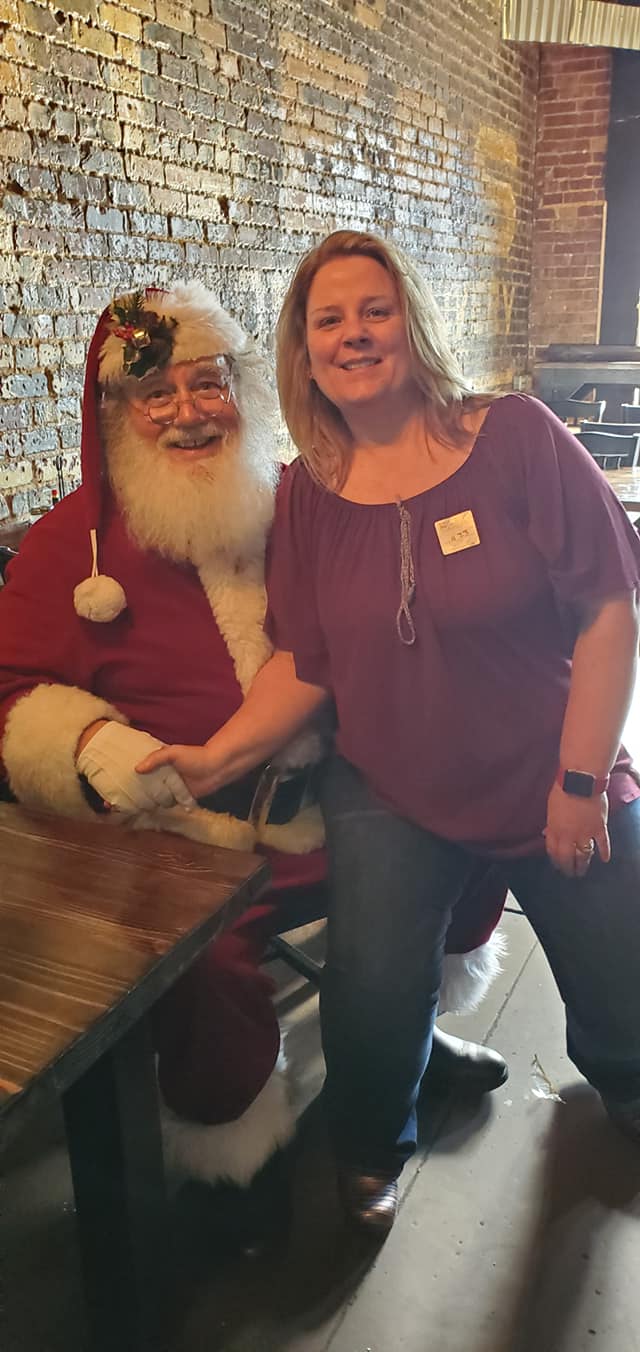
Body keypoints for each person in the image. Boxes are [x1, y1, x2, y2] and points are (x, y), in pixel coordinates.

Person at [138, 233, 640, 1237]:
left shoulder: (516, 434)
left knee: (621, 968)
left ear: (411, 321)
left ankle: (625, 1078)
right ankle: (369, 1147)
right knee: (371, 983)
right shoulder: (308, 491)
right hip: (391, 784)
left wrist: (581, 780)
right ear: (304, 350)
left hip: (550, 765)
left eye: (374, 310)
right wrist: (215, 758)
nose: (354, 334)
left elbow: (608, 608)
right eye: (328, 319)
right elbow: (305, 660)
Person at [0, 277, 507, 1244]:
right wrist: (96, 747)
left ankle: (406, 1036)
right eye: (157, 393)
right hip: (179, 834)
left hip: (335, 792)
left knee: (459, 835)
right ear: (113, 413)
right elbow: (13, 689)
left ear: (242, 388)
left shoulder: (300, 503)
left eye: (209, 383)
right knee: (205, 963)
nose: (189, 412)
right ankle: (228, 1139)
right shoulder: (70, 547)